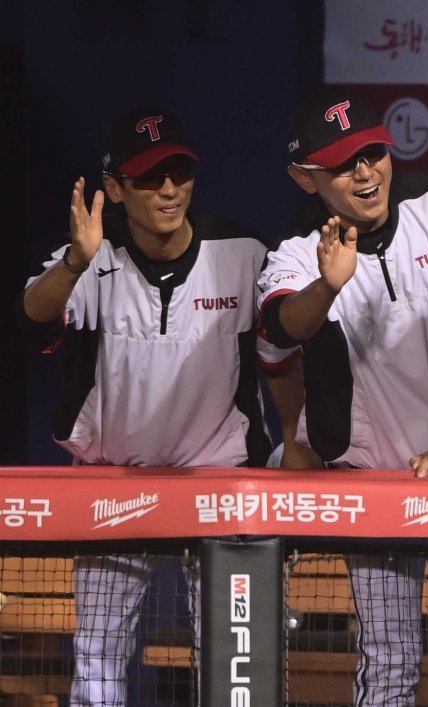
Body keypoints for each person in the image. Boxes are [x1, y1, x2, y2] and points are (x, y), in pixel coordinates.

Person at [255, 87, 428, 705]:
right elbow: (281, 332)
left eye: (373, 153)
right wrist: (327, 285)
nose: (366, 172)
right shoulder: (296, 250)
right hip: (370, 478)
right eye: (343, 164)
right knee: (390, 659)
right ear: (305, 177)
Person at [21, 107, 274, 705]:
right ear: (114, 189)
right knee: (99, 661)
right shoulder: (91, 258)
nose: (168, 189)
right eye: (148, 177)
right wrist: (77, 261)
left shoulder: (242, 253)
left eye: (179, 172)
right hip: (113, 482)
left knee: (233, 663)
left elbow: (284, 349)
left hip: (219, 484)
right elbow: (32, 317)